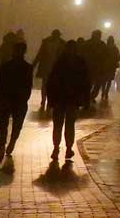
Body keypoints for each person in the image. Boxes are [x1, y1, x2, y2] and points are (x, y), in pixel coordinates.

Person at [43, 35, 91, 167]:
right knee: (68, 125)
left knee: (60, 125)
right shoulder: (79, 62)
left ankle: (58, 148)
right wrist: (86, 99)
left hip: (62, 99)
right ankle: (66, 148)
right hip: (70, 99)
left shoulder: (60, 62)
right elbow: (86, 82)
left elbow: (51, 81)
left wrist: (50, 100)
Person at [0, 35, 31, 166]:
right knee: (4, 124)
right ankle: (3, 146)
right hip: (9, 99)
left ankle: (11, 142)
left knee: (15, 125)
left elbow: (28, 85)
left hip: (17, 100)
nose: (18, 53)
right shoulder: (8, 66)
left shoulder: (25, 67)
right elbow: (0, 82)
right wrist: (0, 96)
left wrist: (24, 97)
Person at [35, 28, 65, 111]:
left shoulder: (60, 43)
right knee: (47, 85)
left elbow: (39, 54)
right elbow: (40, 54)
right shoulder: (59, 43)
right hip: (48, 67)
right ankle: (45, 100)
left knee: (49, 85)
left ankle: (46, 100)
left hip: (54, 68)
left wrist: (34, 64)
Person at [99, 34, 120, 103]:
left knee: (104, 80)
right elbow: (118, 57)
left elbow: (101, 56)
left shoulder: (105, 47)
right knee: (109, 80)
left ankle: (103, 91)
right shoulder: (115, 48)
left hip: (105, 66)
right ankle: (106, 92)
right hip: (112, 67)